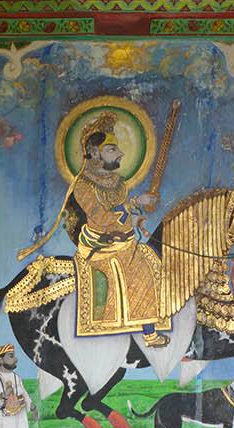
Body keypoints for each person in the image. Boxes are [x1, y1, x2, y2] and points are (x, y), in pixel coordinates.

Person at [65, 114, 170, 345]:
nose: (120, 154)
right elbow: (100, 217)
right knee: (140, 271)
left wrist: (138, 213)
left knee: (153, 262)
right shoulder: (83, 185)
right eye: (112, 149)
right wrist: (132, 207)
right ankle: (148, 334)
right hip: (99, 245)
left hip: (124, 241)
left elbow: (123, 210)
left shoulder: (119, 183)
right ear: (94, 152)